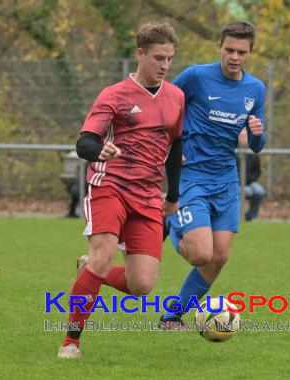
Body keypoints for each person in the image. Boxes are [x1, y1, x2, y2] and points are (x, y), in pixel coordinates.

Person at [57, 22, 184, 358]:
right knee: (103, 258)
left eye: (170, 59)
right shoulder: (115, 95)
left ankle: (91, 269)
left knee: (142, 284)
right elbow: (85, 141)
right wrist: (100, 150)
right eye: (158, 57)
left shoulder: (176, 97)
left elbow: (176, 147)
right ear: (140, 54)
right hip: (109, 184)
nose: (165, 65)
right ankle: (71, 341)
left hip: (148, 195)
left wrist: (172, 196)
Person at [160, 21, 266, 327]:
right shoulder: (196, 76)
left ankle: (172, 314)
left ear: (250, 53)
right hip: (192, 175)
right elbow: (165, 106)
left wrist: (258, 134)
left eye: (241, 52)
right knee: (200, 255)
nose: (234, 56)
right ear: (219, 48)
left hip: (226, 180)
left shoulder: (255, 89)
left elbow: (257, 145)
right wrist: (168, 145)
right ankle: (169, 218)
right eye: (229, 49)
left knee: (219, 257)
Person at [237, 129, 265, 221]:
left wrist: (249, 180)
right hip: (236, 183)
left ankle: (251, 216)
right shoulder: (233, 152)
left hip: (249, 182)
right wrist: (241, 183)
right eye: (241, 135)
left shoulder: (252, 153)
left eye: (245, 135)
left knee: (259, 191)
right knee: (245, 191)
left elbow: (257, 171)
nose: (243, 137)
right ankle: (238, 216)